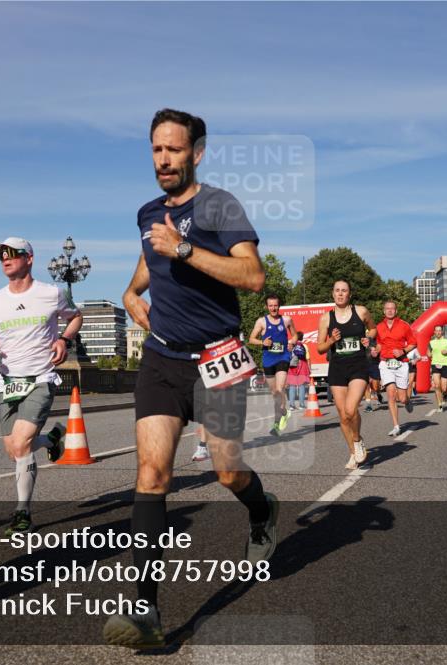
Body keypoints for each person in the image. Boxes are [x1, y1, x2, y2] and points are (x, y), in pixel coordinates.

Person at [104, 109, 278, 649]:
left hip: (218, 359)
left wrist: (183, 248)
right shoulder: (147, 212)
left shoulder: (219, 205)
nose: (163, 160)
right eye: (156, 149)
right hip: (161, 359)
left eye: (174, 150)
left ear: (196, 153)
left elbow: (253, 276)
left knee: (227, 472)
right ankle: (144, 611)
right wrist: (132, 295)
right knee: (153, 473)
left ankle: (262, 509)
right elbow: (147, 264)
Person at [0, 236, 82, 536]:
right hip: (8, 381)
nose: (5, 259)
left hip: (40, 377)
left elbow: (76, 317)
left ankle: (22, 512)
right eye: (1, 255)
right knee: (14, 450)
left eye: (12, 254)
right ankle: (52, 439)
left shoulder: (52, 293)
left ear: (29, 258)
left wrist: (64, 339)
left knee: (23, 442)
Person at [317, 280, 376, 469]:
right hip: (337, 368)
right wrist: (332, 340)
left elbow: (373, 328)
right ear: (332, 294)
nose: (340, 294)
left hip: (358, 365)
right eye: (337, 291)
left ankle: (358, 440)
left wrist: (369, 338)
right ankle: (353, 452)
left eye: (344, 291)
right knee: (343, 416)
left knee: (351, 410)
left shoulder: (361, 312)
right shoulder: (326, 318)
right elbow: (319, 348)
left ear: (349, 294)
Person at [249, 294, 297, 435]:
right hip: (268, 360)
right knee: (275, 394)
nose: (273, 308)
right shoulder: (261, 322)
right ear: (267, 306)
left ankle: (281, 416)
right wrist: (262, 342)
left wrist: (291, 342)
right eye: (270, 305)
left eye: (275, 305)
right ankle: (280, 419)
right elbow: (251, 339)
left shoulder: (287, 320)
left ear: (279, 305)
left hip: (283, 357)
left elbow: (294, 335)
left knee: (280, 388)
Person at [374, 300, 416, 436]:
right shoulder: (379, 326)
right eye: (387, 309)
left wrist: (403, 351)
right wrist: (375, 351)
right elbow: (379, 344)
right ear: (384, 311)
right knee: (391, 393)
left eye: (392, 309)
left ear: (396, 311)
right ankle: (396, 426)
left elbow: (413, 343)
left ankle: (407, 401)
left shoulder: (404, 325)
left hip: (401, 363)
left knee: (402, 398)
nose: (390, 311)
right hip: (385, 363)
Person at [428, 326, 447, 412]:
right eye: (436, 331)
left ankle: (445, 394)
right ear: (434, 332)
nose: (438, 332)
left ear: (442, 332)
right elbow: (428, 352)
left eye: (439, 330)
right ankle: (440, 405)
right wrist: (429, 354)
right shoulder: (431, 342)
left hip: (445, 364)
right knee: (437, 386)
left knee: (444, 388)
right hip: (435, 364)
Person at [286, 334, 310, 411]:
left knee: (292, 386)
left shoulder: (290, 345)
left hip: (292, 366)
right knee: (301, 386)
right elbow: (307, 357)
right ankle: (301, 405)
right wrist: (309, 369)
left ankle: (291, 405)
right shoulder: (304, 346)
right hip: (302, 366)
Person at [364, 331, 382, 413]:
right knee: (366, 385)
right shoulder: (361, 343)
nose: (367, 335)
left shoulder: (375, 343)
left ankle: (378, 394)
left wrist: (375, 351)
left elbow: (379, 351)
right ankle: (368, 405)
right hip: (363, 366)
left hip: (374, 365)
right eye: (366, 333)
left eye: (368, 333)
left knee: (375, 386)